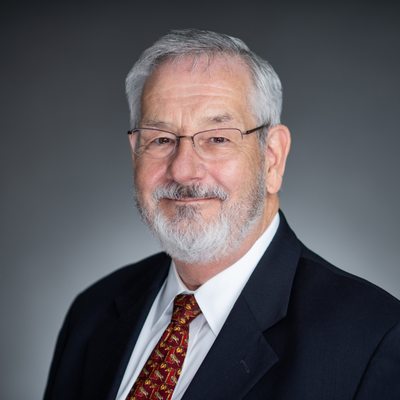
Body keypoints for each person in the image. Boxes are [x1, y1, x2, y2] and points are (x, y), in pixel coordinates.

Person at [43, 29, 400, 400]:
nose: (183, 171)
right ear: (135, 153)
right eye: (161, 139)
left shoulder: (374, 340)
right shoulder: (92, 313)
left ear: (272, 158)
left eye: (217, 138)